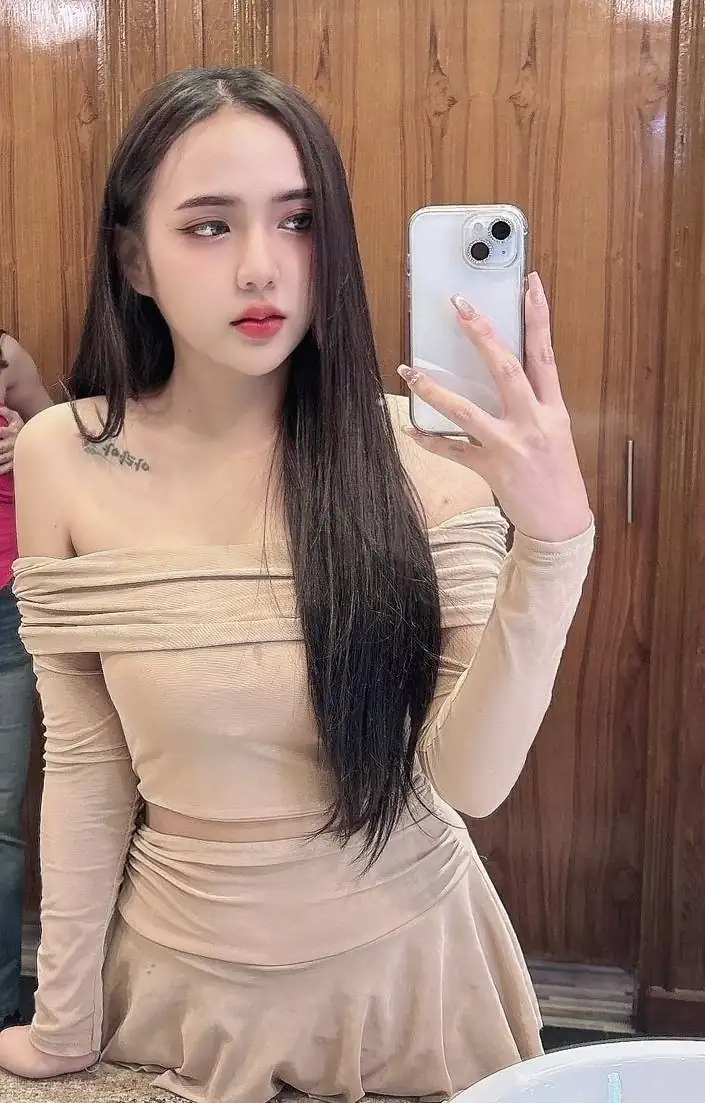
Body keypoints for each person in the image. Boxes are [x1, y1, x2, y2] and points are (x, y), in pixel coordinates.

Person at [0, 67, 594, 1102]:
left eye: (299, 219)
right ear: (134, 259)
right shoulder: (66, 454)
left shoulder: (425, 453)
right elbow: (89, 766)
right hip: (179, 990)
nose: (260, 268)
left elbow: (469, 782)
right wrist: (63, 1022)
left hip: (415, 983)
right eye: (208, 226)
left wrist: (552, 544)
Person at [0, 332, 53, 1031]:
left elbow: (68, 436)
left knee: (0, 817)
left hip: (7, 607)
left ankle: (2, 1001)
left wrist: (28, 442)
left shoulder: (6, 356)